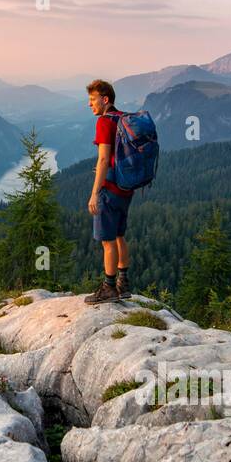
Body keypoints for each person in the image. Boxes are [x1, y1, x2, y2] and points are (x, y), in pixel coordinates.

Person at [83, 79, 133, 303]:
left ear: (105, 99)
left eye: (93, 100)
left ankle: (109, 288)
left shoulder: (104, 122)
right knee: (120, 235)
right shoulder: (123, 118)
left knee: (107, 241)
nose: (89, 104)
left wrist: (95, 193)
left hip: (110, 189)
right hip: (126, 188)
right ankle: (124, 284)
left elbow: (103, 159)